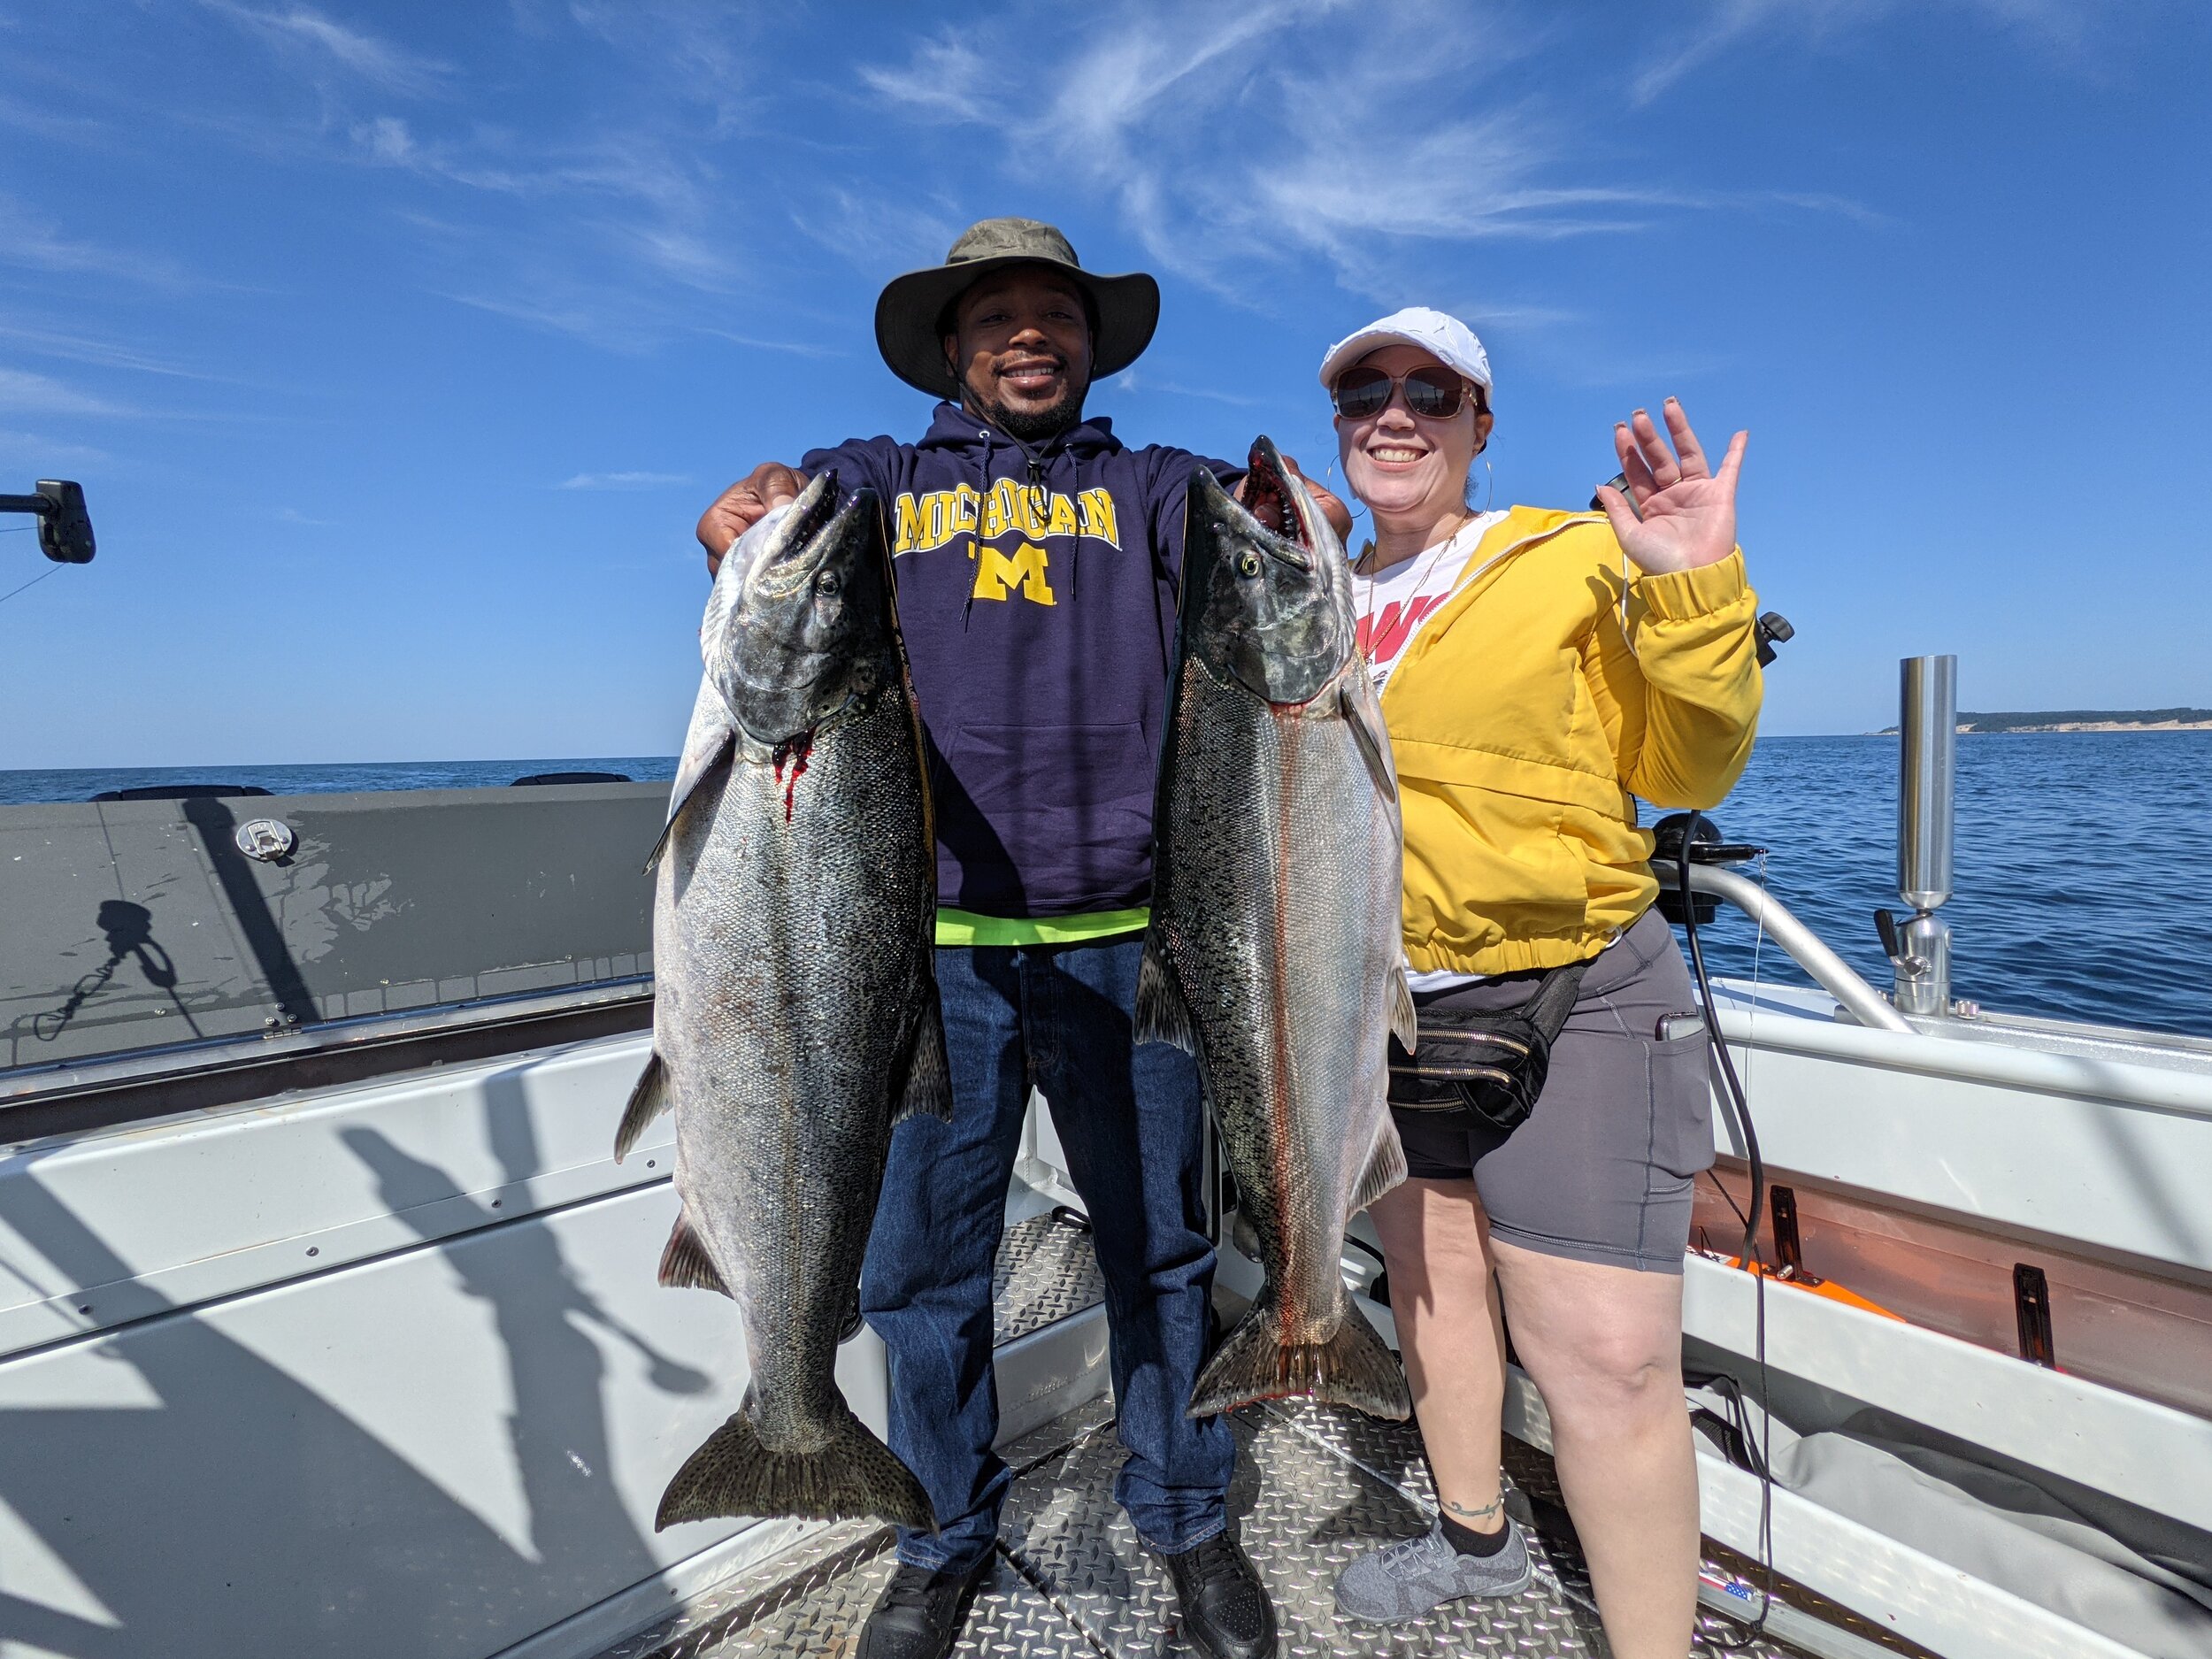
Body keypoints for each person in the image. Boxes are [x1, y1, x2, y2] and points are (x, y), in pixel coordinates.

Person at [691, 217, 1346, 1659]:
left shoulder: (1161, 490)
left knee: (1160, 1257)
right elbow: (767, 525)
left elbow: (1277, 553)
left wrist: (1310, 528)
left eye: (1056, 314)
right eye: (996, 317)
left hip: (1141, 947)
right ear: (951, 347)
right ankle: (940, 1536)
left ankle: (1185, 1518)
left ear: (1094, 343)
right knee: (919, 1280)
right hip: (918, 961)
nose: (1029, 335)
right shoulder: (875, 482)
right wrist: (731, 519)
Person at [1315, 308, 1761, 1659]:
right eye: (1366, 393)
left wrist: (1693, 581)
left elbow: (1689, 771)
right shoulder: (1310, 589)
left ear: (1480, 424)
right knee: (1434, 1292)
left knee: (1608, 1365)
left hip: (1570, 996)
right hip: (1379, 1003)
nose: (1395, 415)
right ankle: (1475, 1541)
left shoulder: (1565, 555)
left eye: (1430, 393)